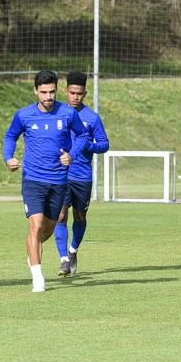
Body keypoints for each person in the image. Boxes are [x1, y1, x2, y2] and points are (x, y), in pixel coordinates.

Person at [4, 70, 88, 293]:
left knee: (49, 228)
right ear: (35, 91)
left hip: (59, 180)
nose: (48, 97)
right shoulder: (24, 115)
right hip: (32, 179)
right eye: (43, 92)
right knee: (36, 224)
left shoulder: (68, 113)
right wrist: (9, 157)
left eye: (51, 92)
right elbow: (10, 136)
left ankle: (32, 254)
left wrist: (72, 154)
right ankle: (38, 278)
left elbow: (82, 136)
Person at [54, 71, 109, 277]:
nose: (75, 96)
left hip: (82, 176)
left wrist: (88, 146)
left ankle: (73, 250)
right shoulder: (57, 113)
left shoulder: (92, 118)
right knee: (60, 215)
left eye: (79, 93)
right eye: (72, 92)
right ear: (66, 91)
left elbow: (104, 144)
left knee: (79, 216)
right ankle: (64, 260)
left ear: (85, 93)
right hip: (60, 175)